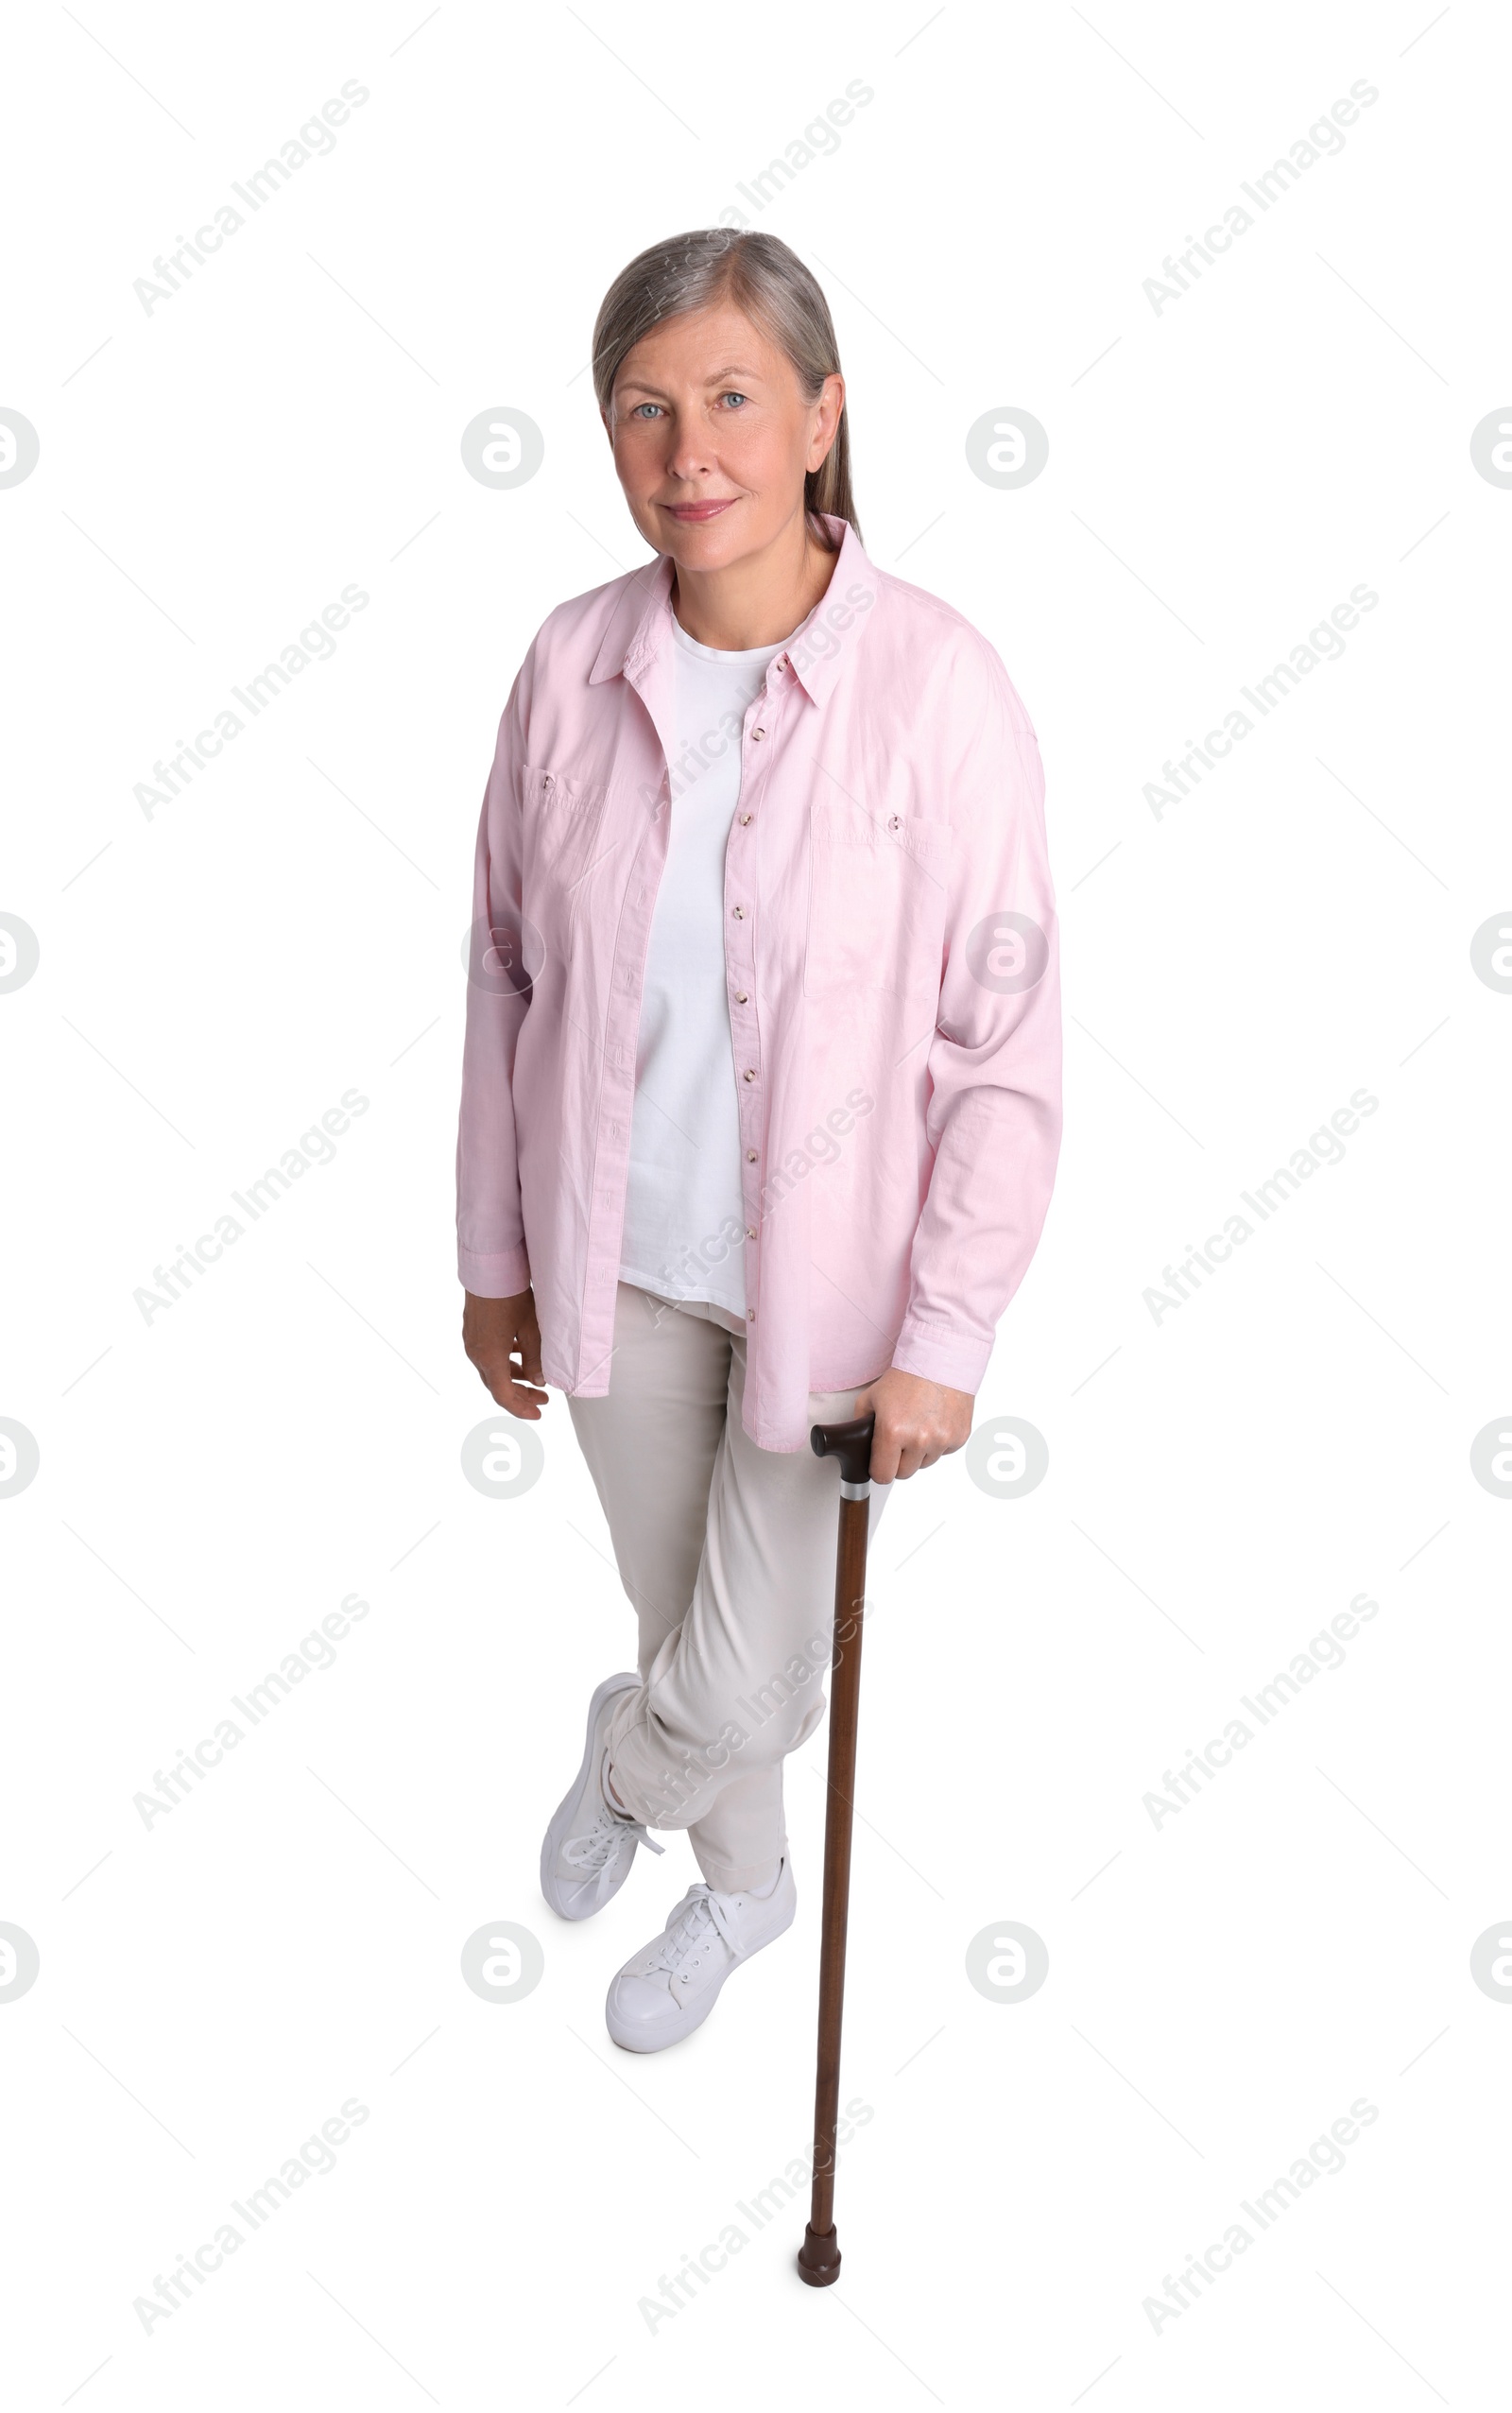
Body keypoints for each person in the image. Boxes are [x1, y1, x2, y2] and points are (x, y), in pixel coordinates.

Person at [457, 228, 1061, 2053]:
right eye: (643, 407)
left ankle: (628, 1777)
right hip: (615, 1266)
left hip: (833, 1305)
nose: (686, 446)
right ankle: (744, 1893)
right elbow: (500, 972)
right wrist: (495, 1258)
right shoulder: (571, 666)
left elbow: (1008, 1035)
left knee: (746, 1670)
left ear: (822, 416)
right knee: (689, 1622)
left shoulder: (939, 686)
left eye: (730, 396)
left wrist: (948, 1336)